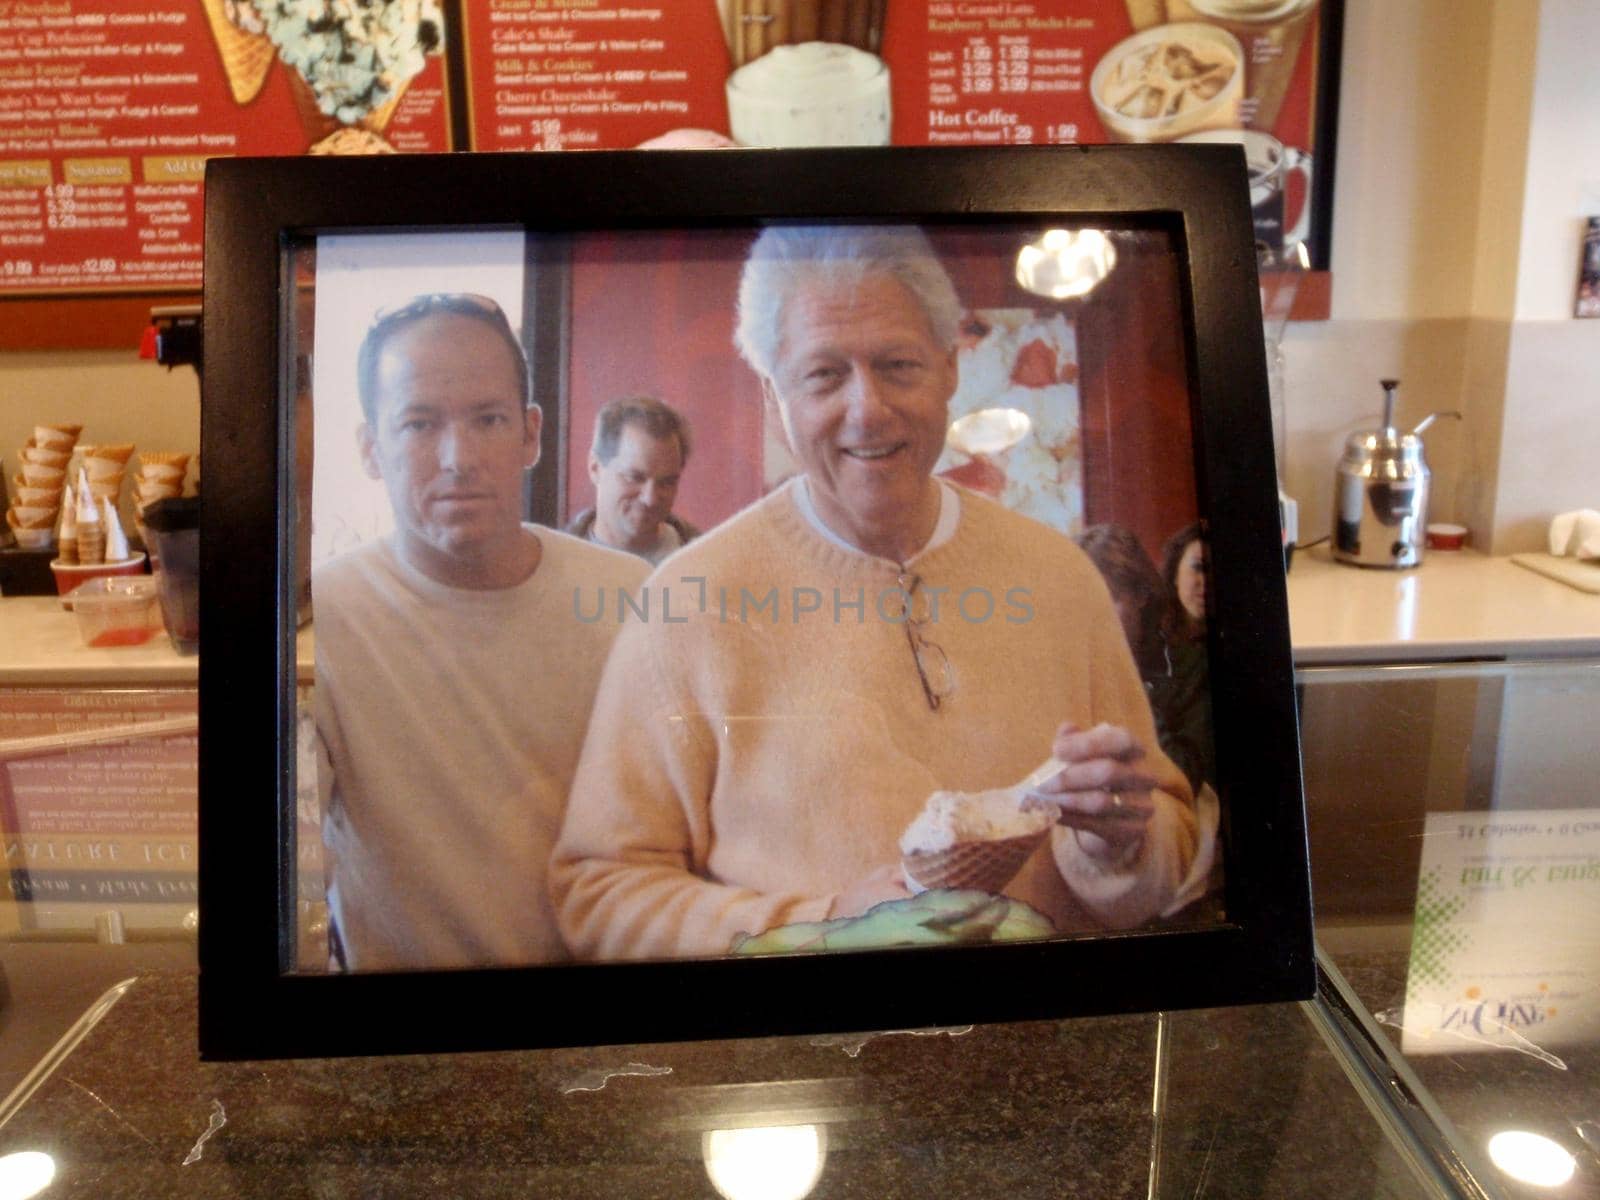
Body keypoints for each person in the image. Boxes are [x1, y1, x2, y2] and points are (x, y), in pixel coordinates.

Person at [549, 227, 1204, 962]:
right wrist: (820, 926)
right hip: (802, 1065)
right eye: (824, 375)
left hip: (1046, 1050)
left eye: (898, 366)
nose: (867, 409)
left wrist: (1117, 850)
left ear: (951, 367)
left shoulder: (1061, 579)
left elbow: (1167, 843)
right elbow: (600, 894)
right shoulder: (686, 604)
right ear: (774, 395)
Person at [313, 292, 647, 971]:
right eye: (418, 424)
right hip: (413, 1043)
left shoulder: (631, 597)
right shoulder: (324, 620)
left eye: (488, 419)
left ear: (530, 434)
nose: (457, 457)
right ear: (369, 448)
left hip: (614, 1018)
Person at [1078, 523, 1214, 794]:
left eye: (1108, 598)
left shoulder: (1190, 667)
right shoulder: (1071, 667)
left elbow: (1187, 774)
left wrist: (1126, 687)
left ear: (1140, 595)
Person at [565, 395, 701, 564]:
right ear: (595, 468)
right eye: (634, 478)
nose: (650, 498)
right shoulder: (554, 566)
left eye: (667, 483)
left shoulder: (709, 564)